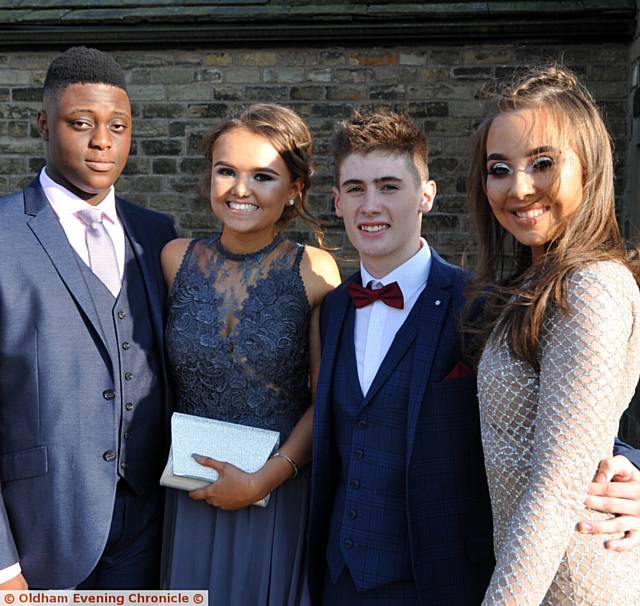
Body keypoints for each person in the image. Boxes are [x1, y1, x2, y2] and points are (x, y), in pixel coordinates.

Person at [307, 109, 640, 606]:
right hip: (339, 580)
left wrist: (632, 470)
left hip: (445, 582)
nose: (370, 204)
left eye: (389, 186)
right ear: (337, 201)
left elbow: (568, 417)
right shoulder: (330, 309)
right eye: (355, 188)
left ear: (427, 195)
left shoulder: (483, 302)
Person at [0, 47, 176, 589]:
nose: (102, 140)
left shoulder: (158, 234)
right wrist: (3, 566)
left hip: (153, 526)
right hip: (40, 534)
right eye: (81, 123)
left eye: (117, 126)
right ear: (43, 126)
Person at [465, 64, 640, 604]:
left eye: (543, 163)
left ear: (589, 168)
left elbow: (556, 491)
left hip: (578, 586)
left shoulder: (592, 287)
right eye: (499, 168)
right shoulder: (533, 284)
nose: (518, 188)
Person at [160, 103, 341, 604]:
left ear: (294, 190)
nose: (240, 190)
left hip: (276, 495)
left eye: (262, 175)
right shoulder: (174, 260)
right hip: (188, 488)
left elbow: (326, 398)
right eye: (226, 172)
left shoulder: (316, 271)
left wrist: (264, 477)